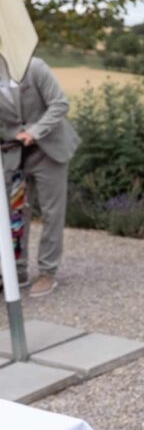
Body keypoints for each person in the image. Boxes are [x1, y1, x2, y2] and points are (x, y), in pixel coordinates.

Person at [0, 56, 80, 297]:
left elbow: (60, 104)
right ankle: (17, 271)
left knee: (51, 213)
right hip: (15, 154)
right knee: (16, 213)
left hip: (49, 150)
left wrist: (34, 132)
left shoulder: (33, 67)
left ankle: (48, 272)